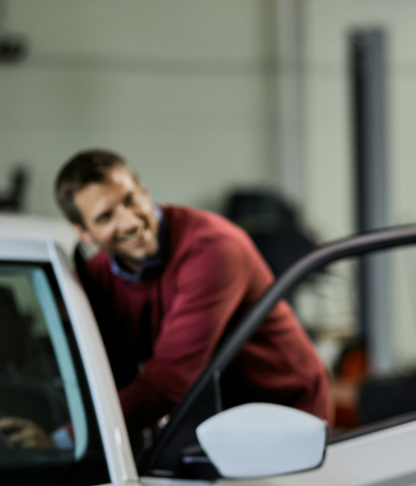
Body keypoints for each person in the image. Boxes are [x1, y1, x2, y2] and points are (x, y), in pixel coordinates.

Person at [0, 149, 331, 449]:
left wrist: (62, 441)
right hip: (214, 415)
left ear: (144, 192)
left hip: (286, 411)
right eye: (105, 217)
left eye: (129, 200)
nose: (129, 222)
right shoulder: (99, 275)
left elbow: (168, 381)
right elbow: (112, 370)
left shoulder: (213, 250)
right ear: (84, 233)